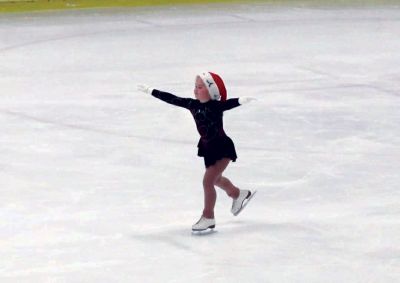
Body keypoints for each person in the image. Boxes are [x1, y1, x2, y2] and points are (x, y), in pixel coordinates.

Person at [137, 71, 255, 231]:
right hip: (208, 149)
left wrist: (242, 100)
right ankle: (237, 194)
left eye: (200, 87)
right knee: (216, 179)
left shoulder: (215, 106)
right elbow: (172, 99)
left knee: (208, 182)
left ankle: (208, 217)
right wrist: (150, 90)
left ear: (211, 90)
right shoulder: (192, 104)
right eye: (195, 86)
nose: (195, 90)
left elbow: (229, 104)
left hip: (222, 148)